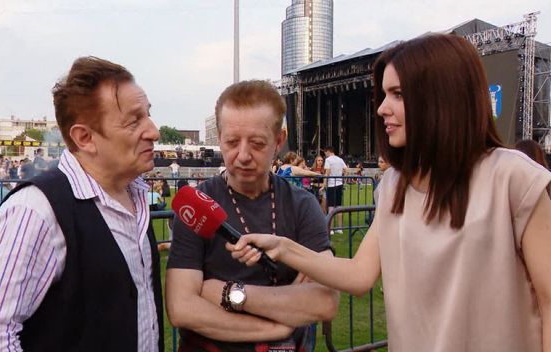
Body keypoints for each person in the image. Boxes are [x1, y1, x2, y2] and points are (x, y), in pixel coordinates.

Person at [228, 34, 551, 352]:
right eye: (383, 95)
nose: (382, 108)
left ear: (442, 96)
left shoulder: (513, 178)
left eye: (397, 94)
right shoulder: (395, 184)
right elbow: (359, 274)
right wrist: (282, 247)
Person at [0, 56, 164, 351]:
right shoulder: (35, 211)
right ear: (85, 137)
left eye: (148, 115)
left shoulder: (136, 196)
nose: (154, 131)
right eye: (134, 121)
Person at [166, 80, 338, 352]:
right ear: (220, 137)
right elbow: (182, 309)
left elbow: (325, 301)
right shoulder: (197, 206)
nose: (243, 155)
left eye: (257, 143)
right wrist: (278, 326)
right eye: (232, 142)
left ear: (279, 141)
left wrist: (226, 293)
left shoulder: (302, 205)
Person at [323, 146, 348, 230]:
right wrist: (342, 178)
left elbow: (327, 172)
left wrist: (324, 184)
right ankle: (340, 228)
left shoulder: (328, 160)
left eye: (325, 153)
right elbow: (346, 170)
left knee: (331, 207)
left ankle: (331, 228)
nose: (325, 155)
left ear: (328, 152)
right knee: (338, 206)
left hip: (331, 185)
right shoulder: (340, 159)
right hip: (339, 184)